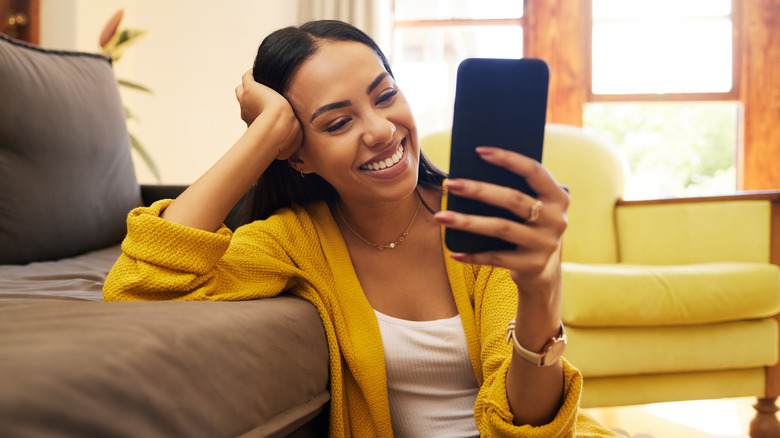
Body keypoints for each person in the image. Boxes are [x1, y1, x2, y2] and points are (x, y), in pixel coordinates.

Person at [104, 20, 619, 438]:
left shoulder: (478, 218)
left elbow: (531, 430)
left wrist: (541, 292)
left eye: (385, 95)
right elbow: (139, 286)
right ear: (298, 156)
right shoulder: (296, 242)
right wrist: (265, 131)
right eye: (337, 123)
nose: (381, 130)